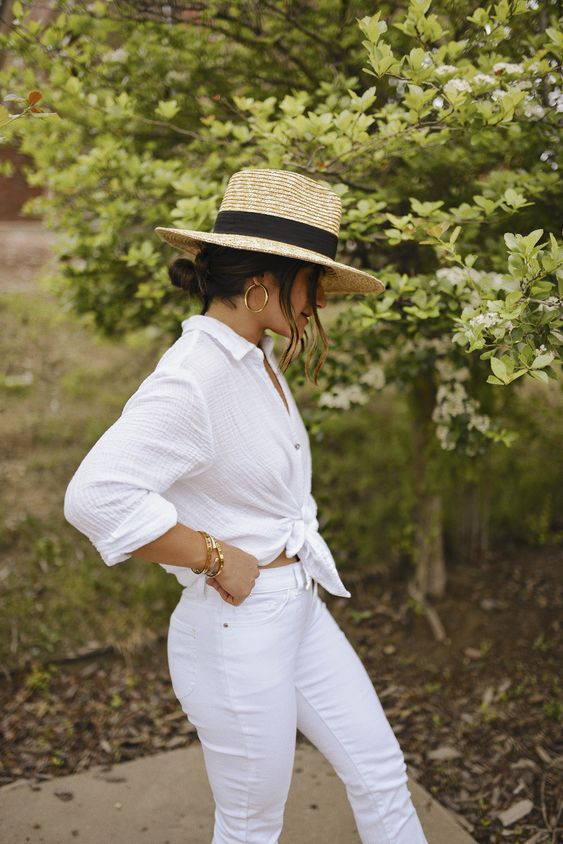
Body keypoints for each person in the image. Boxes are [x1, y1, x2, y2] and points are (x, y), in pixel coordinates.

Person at [64, 168, 428, 844]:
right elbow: (96, 494)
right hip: (236, 631)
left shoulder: (250, 354)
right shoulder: (193, 376)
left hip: (298, 609)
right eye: (311, 280)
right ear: (259, 285)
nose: (321, 297)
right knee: (251, 825)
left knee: (380, 772)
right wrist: (212, 553)